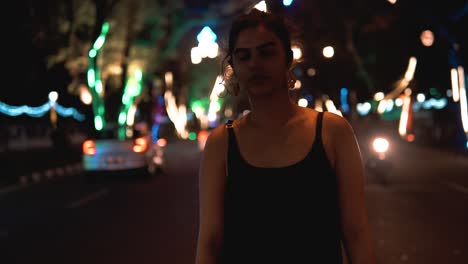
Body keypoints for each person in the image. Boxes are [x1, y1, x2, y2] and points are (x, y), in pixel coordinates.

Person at [195, 9, 377, 264]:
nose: (255, 63)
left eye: (266, 52)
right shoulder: (221, 142)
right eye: (243, 56)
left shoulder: (332, 131)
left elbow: (356, 232)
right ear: (233, 67)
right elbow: (210, 242)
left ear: (287, 58)